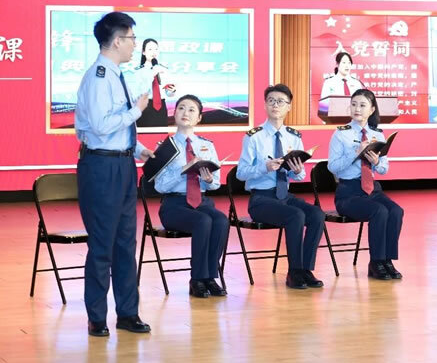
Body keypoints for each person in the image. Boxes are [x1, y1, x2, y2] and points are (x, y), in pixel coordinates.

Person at [74, 11, 154, 337]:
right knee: (102, 244)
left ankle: (127, 313)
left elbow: (117, 127)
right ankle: (97, 316)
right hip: (101, 168)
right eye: (132, 38)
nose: (135, 44)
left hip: (122, 165)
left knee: (125, 243)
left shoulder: (117, 74)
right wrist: (137, 111)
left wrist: (138, 149)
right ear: (118, 40)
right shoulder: (98, 77)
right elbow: (100, 126)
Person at [236, 84, 325, 289]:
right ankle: (294, 272)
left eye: (280, 101)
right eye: (271, 101)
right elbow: (241, 173)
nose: (275, 105)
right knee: (296, 215)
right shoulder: (253, 137)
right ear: (265, 105)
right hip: (261, 199)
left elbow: (300, 176)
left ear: (289, 107)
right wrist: (264, 167)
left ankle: (305, 269)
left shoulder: (294, 136)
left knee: (317, 214)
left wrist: (297, 170)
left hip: (285, 196)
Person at [155, 94, 229, 298]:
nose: (185, 113)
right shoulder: (165, 146)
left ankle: (209, 277)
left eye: (191, 110)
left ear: (199, 118)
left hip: (202, 201)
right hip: (174, 205)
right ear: (174, 113)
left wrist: (208, 179)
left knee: (221, 220)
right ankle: (197, 279)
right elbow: (159, 186)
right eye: (181, 108)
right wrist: (184, 169)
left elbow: (215, 184)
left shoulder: (207, 145)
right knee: (203, 221)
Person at [327, 89, 403, 280]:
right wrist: (355, 153)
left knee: (396, 211)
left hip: (372, 190)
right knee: (379, 211)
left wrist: (376, 162)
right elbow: (333, 167)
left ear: (372, 109)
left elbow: (384, 169)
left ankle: (387, 260)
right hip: (348, 193)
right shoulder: (340, 134)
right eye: (353, 104)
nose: (357, 109)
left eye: (362, 105)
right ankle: (375, 262)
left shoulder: (377, 134)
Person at [133, 38, 176, 127]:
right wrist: (152, 74)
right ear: (143, 52)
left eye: (156, 49)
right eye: (150, 49)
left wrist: (172, 91)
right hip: (145, 106)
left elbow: (168, 93)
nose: (154, 52)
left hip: (161, 107)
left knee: (161, 134)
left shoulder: (163, 69)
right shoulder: (139, 71)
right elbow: (141, 91)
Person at [318, 52, 364, 119]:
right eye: (344, 63)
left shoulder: (356, 83)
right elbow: (323, 107)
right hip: (334, 120)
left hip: (354, 120)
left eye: (349, 63)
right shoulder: (329, 83)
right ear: (337, 64)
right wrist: (326, 121)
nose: (347, 66)